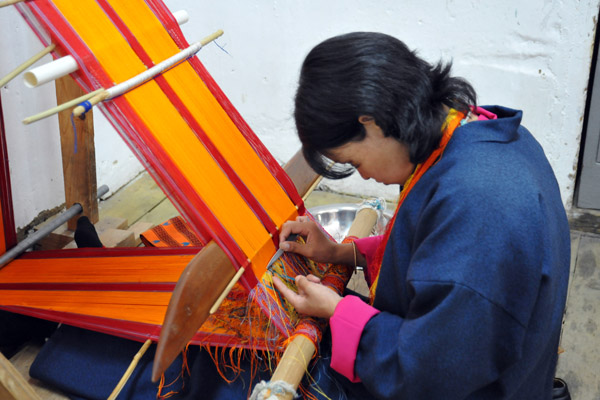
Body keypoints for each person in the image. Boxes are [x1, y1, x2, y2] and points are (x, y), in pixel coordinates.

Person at [272, 31, 571, 399]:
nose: (363, 175)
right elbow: (442, 253)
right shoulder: (476, 134)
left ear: (372, 123)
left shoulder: (478, 202)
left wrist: (338, 312)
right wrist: (338, 253)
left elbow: (433, 373)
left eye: (354, 161)